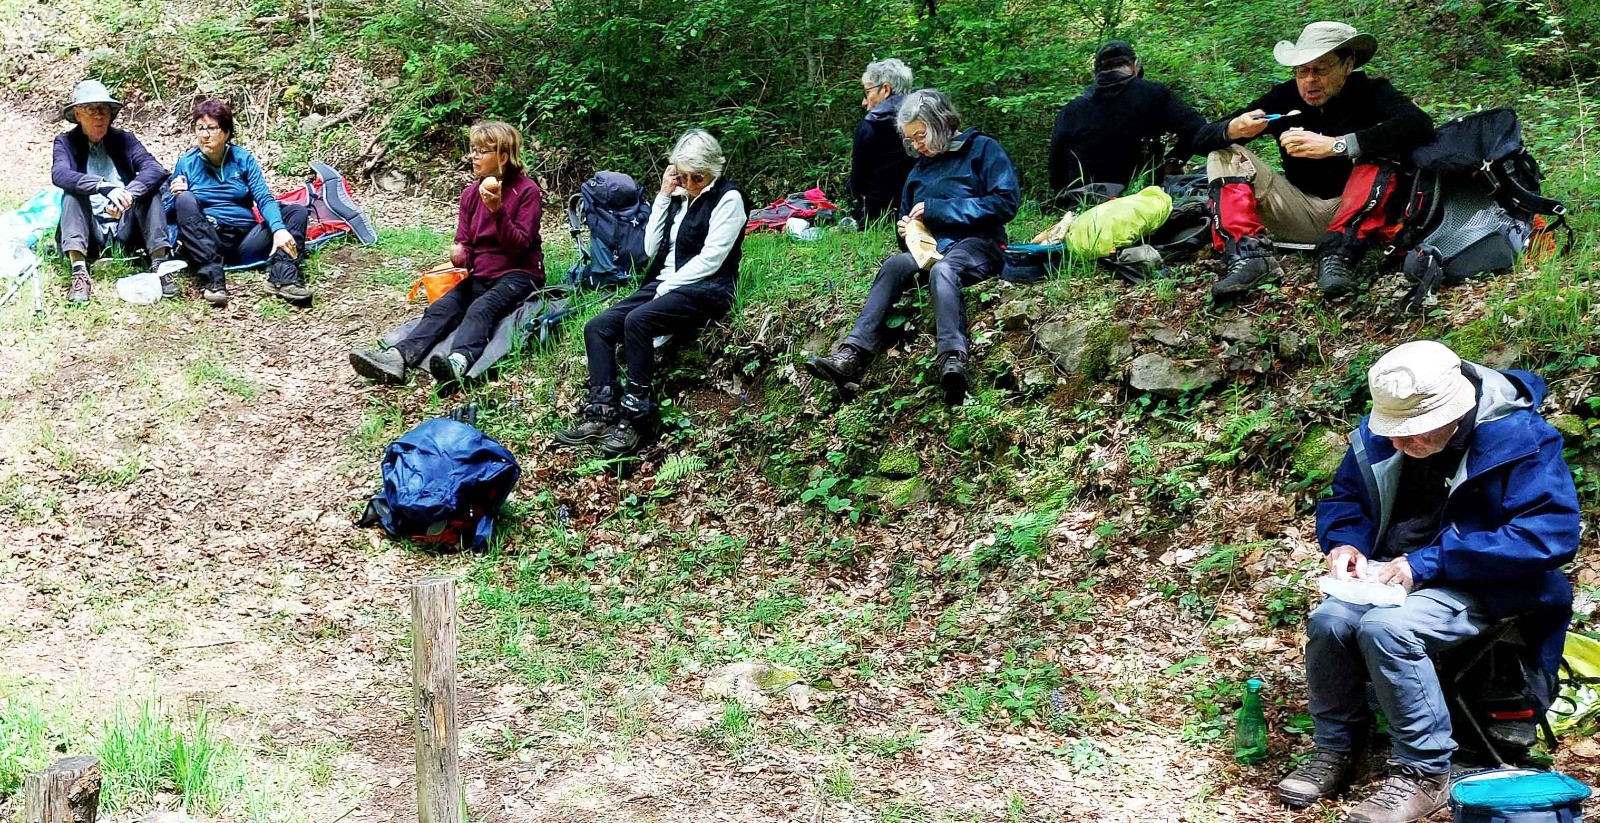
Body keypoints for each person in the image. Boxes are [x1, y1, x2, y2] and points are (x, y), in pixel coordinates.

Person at [1279, 340, 1579, 823]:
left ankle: (1425, 772)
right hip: (1394, 570)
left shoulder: (1522, 438)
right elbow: (1345, 499)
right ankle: (1336, 748)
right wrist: (1345, 544)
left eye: (1413, 434)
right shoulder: (1387, 426)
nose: (1399, 444)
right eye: (1393, 433)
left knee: (1388, 629)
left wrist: (1428, 563)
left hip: (1486, 578)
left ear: (1455, 412)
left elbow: (1548, 535)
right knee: (1330, 620)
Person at [1189, 22, 1434, 299]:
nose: (1310, 80)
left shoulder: (1372, 91)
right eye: (1302, 71)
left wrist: (1339, 145)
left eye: (1321, 69)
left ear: (1348, 65)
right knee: (1222, 153)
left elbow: (1420, 125)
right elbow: (1198, 139)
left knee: (1384, 149)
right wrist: (1233, 129)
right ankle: (1248, 257)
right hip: (1299, 209)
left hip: (1359, 212)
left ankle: (1340, 256)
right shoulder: (1284, 98)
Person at [807, 89, 1020, 406]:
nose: (917, 145)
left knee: (945, 270)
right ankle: (851, 354)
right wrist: (906, 230)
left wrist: (938, 210)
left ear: (941, 123)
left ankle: (952, 359)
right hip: (930, 249)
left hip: (979, 244)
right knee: (894, 265)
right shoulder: (920, 169)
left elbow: (1006, 203)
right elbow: (908, 220)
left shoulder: (983, 149)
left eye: (921, 136)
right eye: (911, 140)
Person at [553, 129, 748, 456]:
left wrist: (666, 288)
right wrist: (663, 196)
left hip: (706, 287)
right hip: (663, 282)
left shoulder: (728, 199)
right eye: (684, 176)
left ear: (713, 171)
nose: (690, 183)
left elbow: (712, 259)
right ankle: (600, 412)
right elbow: (648, 248)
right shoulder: (679, 198)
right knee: (597, 327)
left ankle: (636, 418)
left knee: (638, 321)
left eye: (697, 177)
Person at [349, 121, 544, 387]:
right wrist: (460, 255)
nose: (473, 156)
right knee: (442, 308)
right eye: (472, 149)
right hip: (483, 275)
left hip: (520, 274)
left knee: (481, 308)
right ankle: (397, 358)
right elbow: (466, 245)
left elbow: (520, 247)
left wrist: (497, 211)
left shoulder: (526, 191)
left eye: (481, 151)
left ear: (502, 156)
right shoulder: (470, 195)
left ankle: (458, 361)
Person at [166, 99, 312, 307]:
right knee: (184, 199)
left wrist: (279, 229)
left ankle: (283, 278)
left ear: (226, 132)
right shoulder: (187, 163)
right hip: (208, 237)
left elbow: (263, 198)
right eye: (200, 128)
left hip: (245, 240)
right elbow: (171, 215)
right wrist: (175, 195)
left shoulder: (242, 159)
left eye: (212, 128)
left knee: (296, 211)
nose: (205, 135)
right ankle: (214, 281)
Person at [50, 79, 181, 304]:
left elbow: (154, 168)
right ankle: (79, 271)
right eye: (91, 109)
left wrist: (129, 193)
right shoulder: (66, 142)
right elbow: (59, 173)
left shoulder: (124, 140)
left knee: (150, 192)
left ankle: (160, 265)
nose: (99, 116)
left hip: (125, 228)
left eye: (104, 109)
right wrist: (102, 187)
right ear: (78, 114)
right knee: (72, 194)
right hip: (90, 231)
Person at [1047, 41, 1205, 202]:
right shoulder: (1155, 94)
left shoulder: (1071, 110)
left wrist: (1066, 199)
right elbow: (1198, 128)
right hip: (1144, 199)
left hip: (1086, 202)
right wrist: (1175, 161)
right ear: (1135, 66)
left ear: (1096, 72)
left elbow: (1055, 169)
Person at [848, 58, 917, 225]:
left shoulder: (870, 125)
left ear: (885, 89)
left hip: (877, 215)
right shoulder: (925, 117)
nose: (864, 101)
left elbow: (858, 181)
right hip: (918, 208)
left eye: (867, 92)